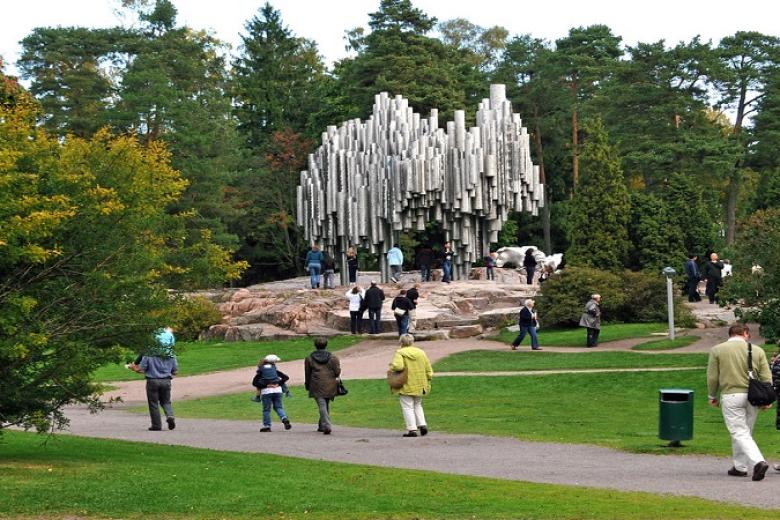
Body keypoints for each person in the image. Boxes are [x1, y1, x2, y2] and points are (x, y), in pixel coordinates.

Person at [706, 324, 772, 481]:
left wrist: (711, 395)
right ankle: (740, 466)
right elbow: (766, 377)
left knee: (739, 431)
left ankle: (758, 462)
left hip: (731, 394)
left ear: (730, 334)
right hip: (754, 396)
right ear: (746, 333)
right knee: (745, 432)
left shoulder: (718, 350)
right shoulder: (758, 351)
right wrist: (767, 399)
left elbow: (713, 377)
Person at [389, 334, 433, 437]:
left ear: (401, 342)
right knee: (417, 404)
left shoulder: (400, 352)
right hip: (420, 383)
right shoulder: (421, 352)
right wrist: (428, 378)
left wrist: (392, 366)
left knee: (407, 407)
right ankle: (422, 425)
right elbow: (428, 369)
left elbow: (398, 366)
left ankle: (412, 429)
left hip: (406, 383)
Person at [131, 348, 178, 432]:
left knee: (153, 403)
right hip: (166, 381)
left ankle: (156, 425)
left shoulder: (149, 354)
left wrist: (133, 368)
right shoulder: (170, 353)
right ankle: (170, 415)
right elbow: (175, 371)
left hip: (152, 381)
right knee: (166, 401)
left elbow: (142, 369)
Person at [304, 337, 341, 435]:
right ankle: (322, 425)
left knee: (322, 404)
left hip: (316, 383)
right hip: (330, 383)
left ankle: (326, 425)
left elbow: (307, 373)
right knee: (325, 403)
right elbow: (337, 372)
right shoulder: (333, 358)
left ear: (315, 345)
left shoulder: (309, 358)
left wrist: (307, 385)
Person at [252, 354, 292, 432]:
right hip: (278, 390)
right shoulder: (275, 370)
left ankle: (267, 425)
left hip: (266, 392)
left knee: (266, 409)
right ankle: (284, 418)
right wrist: (278, 384)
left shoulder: (261, 371)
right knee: (278, 407)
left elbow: (255, 383)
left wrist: (266, 385)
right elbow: (286, 377)